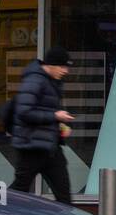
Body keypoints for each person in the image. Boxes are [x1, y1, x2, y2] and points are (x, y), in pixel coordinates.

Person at [9, 46, 75, 203]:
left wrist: (60, 125)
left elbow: (44, 110)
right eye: (62, 66)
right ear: (51, 64)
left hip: (50, 148)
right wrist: (55, 116)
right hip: (31, 148)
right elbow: (24, 112)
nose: (65, 71)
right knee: (18, 191)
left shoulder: (51, 81)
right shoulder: (34, 80)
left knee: (64, 195)